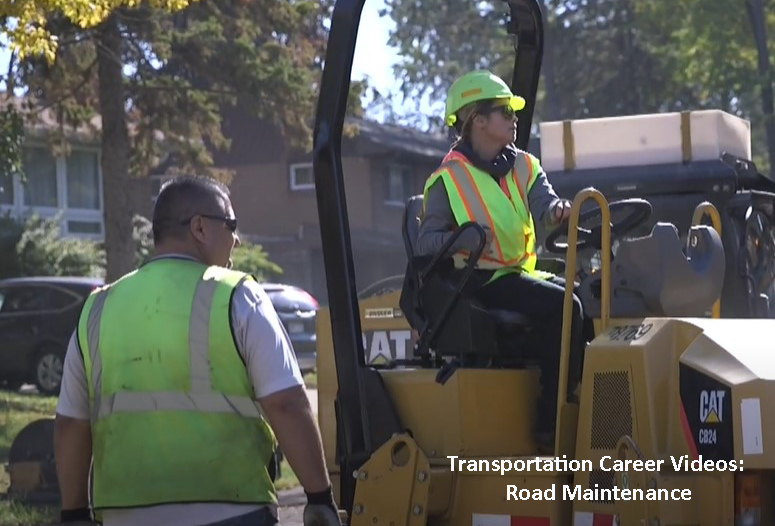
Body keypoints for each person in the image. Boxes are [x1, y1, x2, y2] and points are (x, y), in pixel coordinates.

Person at [53, 175, 342, 526]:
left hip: (124, 514)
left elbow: (71, 423)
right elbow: (286, 403)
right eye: (231, 225)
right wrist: (319, 497)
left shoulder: (98, 308)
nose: (236, 240)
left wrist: (73, 512)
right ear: (200, 227)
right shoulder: (238, 296)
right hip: (233, 508)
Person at [416, 70, 594, 450]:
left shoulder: (525, 165)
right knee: (565, 306)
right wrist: (459, 239)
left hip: (516, 274)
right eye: (505, 111)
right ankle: (551, 420)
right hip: (479, 284)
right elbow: (425, 243)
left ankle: (581, 400)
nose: (514, 118)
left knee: (590, 297)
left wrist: (560, 210)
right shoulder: (447, 180)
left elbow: (546, 206)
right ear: (478, 120)